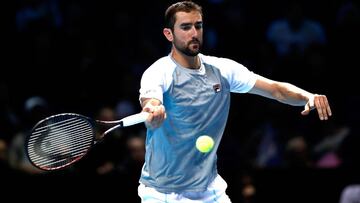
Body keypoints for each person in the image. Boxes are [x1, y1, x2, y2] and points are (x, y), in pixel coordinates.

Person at [137, 1, 332, 202]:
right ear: (169, 34)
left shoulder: (222, 69)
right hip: (163, 193)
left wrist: (308, 96)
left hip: (209, 190)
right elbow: (150, 105)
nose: (194, 33)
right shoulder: (159, 72)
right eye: (185, 27)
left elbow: (276, 90)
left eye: (198, 25)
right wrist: (154, 113)